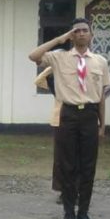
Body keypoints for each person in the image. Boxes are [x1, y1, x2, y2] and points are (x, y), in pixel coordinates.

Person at [29, 18, 110, 219]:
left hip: (90, 116)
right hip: (68, 114)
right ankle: (67, 213)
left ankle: (83, 213)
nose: (82, 34)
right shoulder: (59, 58)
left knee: (88, 166)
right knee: (67, 165)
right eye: (77, 31)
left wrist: (102, 126)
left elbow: (101, 97)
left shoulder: (100, 61)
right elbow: (33, 56)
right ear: (72, 35)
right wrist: (59, 39)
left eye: (85, 30)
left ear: (91, 35)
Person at [34, 65, 64, 204]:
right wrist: (54, 66)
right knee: (61, 157)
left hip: (80, 118)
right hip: (60, 119)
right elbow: (39, 80)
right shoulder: (56, 80)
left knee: (78, 156)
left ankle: (77, 190)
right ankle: (63, 191)